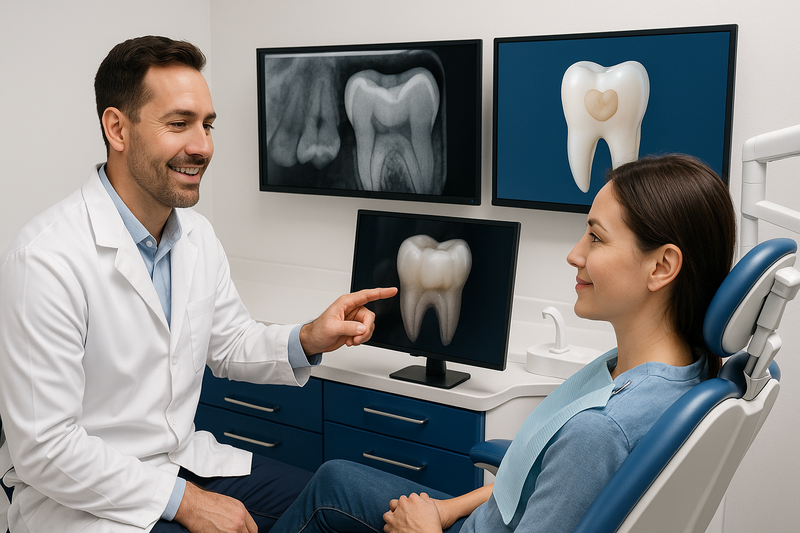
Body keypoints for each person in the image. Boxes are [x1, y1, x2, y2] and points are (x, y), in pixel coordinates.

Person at [0, 36, 396, 533]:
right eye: (179, 124)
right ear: (117, 128)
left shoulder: (197, 237)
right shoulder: (46, 258)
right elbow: (46, 448)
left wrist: (307, 337)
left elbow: (228, 343)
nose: (202, 146)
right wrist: (183, 501)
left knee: (343, 497)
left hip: (183, 461)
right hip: (83, 503)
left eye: (207, 125)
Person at [266, 153, 737, 533]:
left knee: (329, 492)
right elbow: (534, 472)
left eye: (595, 237)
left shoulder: (601, 431)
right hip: (481, 519)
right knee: (334, 479)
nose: (575, 253)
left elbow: (570, 461)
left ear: (661, 267)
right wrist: (446, 510)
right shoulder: (664, 374)